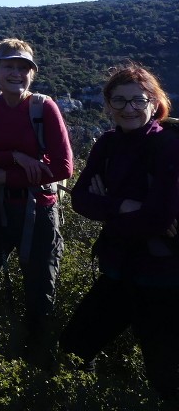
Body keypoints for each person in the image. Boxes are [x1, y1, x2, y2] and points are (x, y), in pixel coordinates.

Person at [59, 64, 179, 403]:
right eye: (119, 101)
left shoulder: (168, 147)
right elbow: (80, 199)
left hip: (164, 278)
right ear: (108, 106)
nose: (129, 108)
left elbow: (159, 218)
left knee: (164, 376)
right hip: (119, 271)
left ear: (155, 103)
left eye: (138, 100)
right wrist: (125, 205)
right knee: (74, 347)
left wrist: (109, 205)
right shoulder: (108, 145)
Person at [0, 38, 73, 367]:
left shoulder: (43, 107)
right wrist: (15, 156)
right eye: (9, 66)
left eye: (23, 68)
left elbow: (64, 167)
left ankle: (36, 364)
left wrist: (8, 176)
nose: (16, 73)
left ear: (31, 75)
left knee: (39, 292)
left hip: (38, 212)